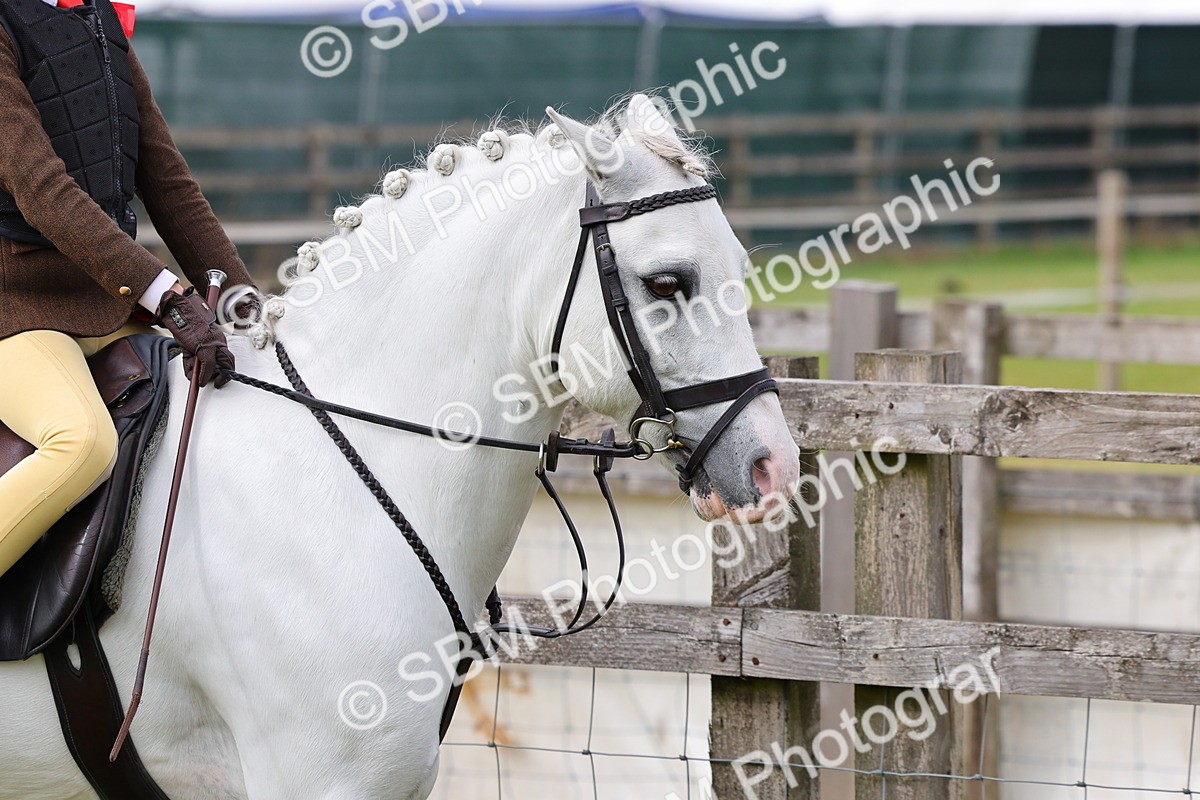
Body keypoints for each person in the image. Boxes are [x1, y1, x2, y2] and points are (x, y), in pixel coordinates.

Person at [0, 0, 253, 578]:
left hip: (106, 301)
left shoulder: (100, 21)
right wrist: (165, 295)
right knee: (81, 443)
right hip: (16, 306)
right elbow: (43, 192)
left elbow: (167, 181)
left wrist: (244, 304)